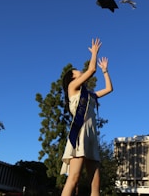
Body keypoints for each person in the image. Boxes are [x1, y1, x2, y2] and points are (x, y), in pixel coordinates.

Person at [60, 38, 113, 196]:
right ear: (72, 78)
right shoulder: (72, 88)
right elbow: (91, 70)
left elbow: (109, 89)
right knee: (74, 178)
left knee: (96, 182)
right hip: (79, 135)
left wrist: (105, 70)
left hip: (91, 138)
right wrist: (95, 53)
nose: (80, 72)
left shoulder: (90, 95)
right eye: (77, 72)